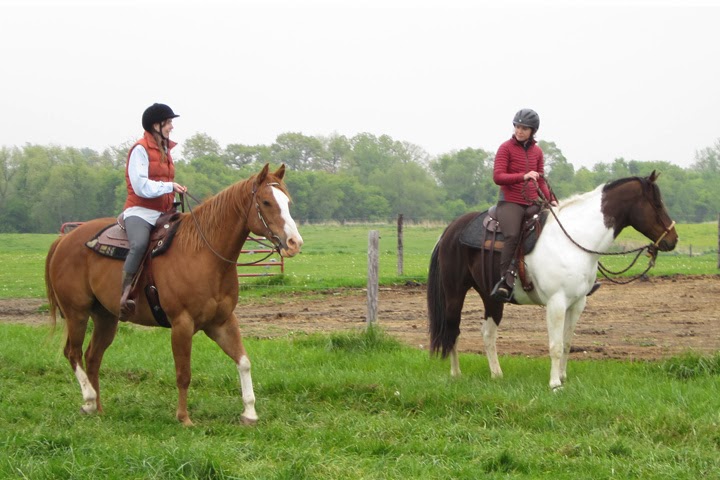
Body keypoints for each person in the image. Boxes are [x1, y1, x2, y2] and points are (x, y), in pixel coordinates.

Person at [119, 103, 187, 319]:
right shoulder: (140, 150)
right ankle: (125, 294)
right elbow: (141, 186)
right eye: (168, 123)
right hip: (140, 212)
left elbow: (163, 181)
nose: (171, 127)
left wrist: (174, 193)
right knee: (139, 244)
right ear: (156, 125)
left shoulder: (165, 149)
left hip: (164, 212)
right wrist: (169, 186)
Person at [491, 108, 557, 302]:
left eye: (524, 128)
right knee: (512, 235)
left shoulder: (538, 152)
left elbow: (541, 181)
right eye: (517, 127)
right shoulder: (505, 148)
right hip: (510, 203)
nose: (519, 131)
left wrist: (552, 200)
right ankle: (505, 281)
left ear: (532, 131)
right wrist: (523, 176)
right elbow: (498, 177)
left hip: (533, 202)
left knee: (555, 227)